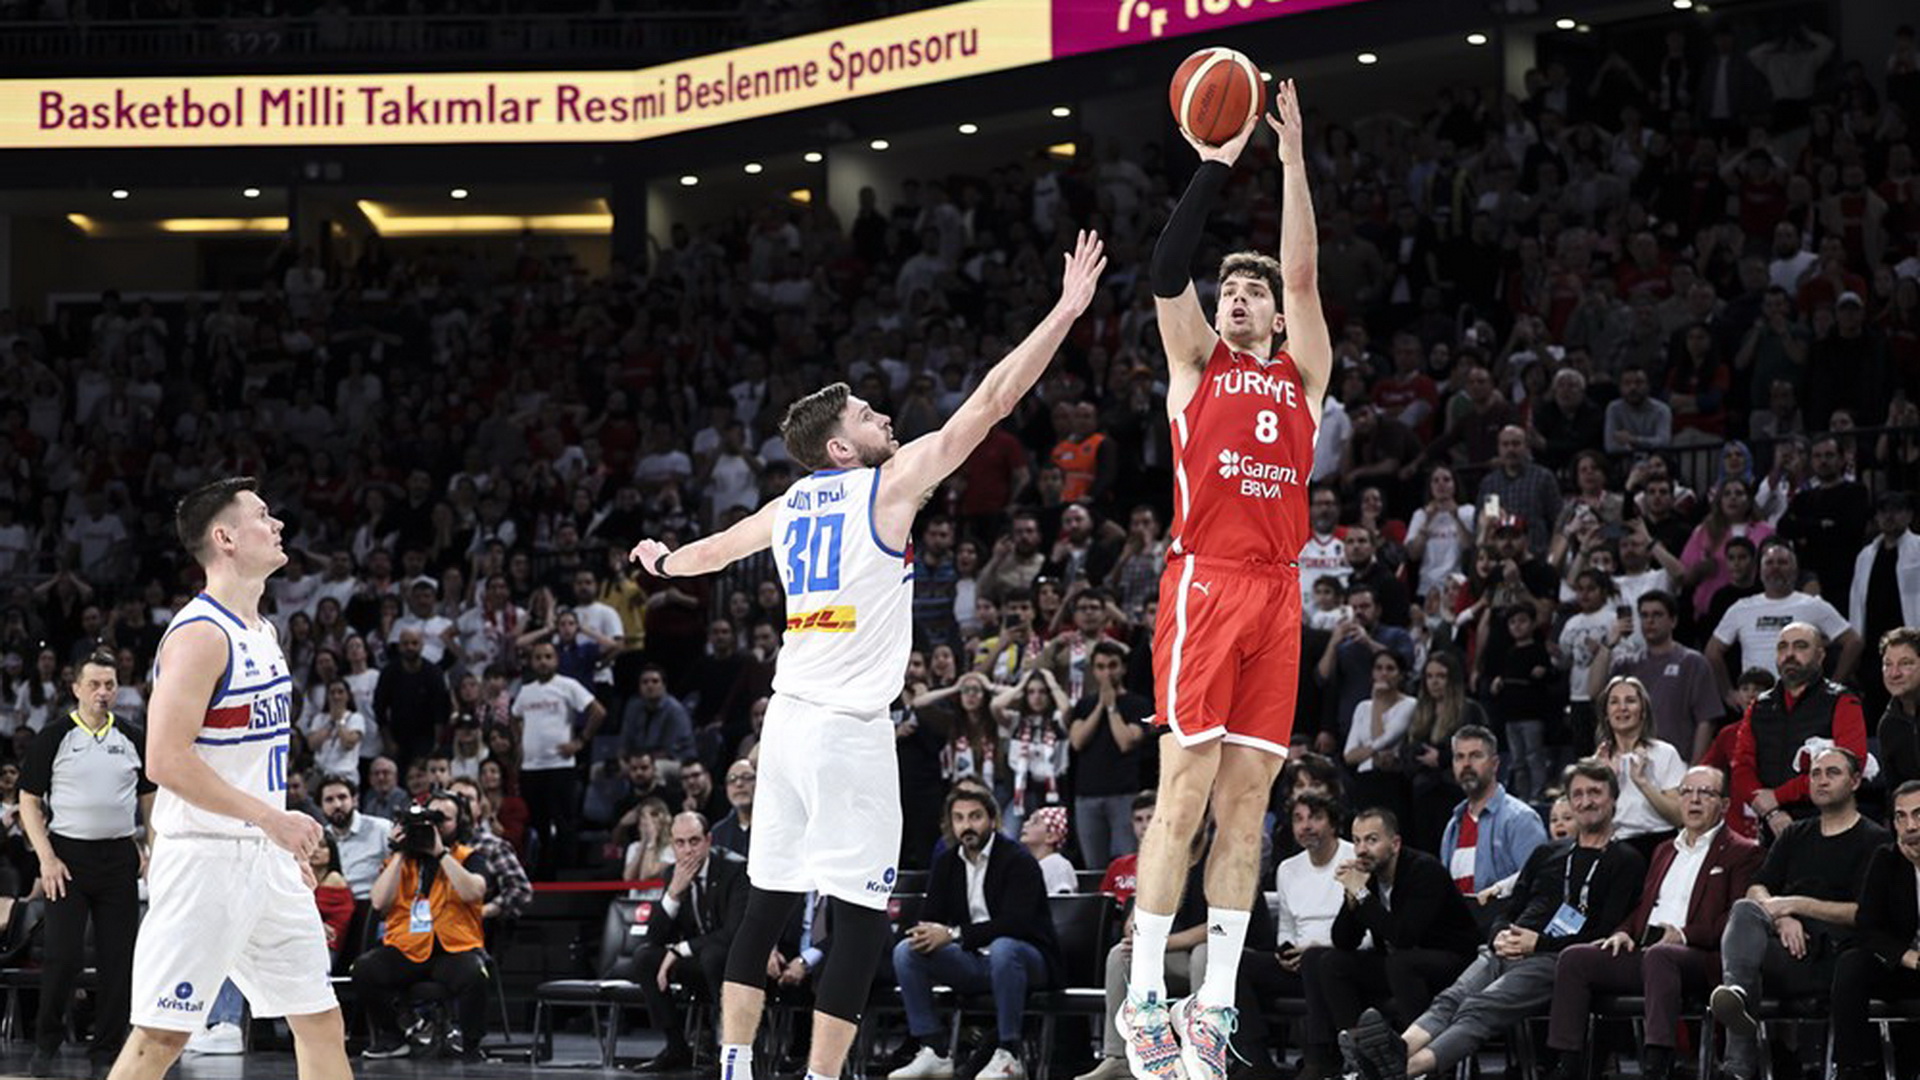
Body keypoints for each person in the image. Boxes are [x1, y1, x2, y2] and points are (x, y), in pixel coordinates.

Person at [627, 231, 1105, 1080]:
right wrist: (1064, 313)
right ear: (842, 449)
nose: (883, 417)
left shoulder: (788, 505)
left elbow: (710, 552)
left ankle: (735, 1066)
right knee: (857, 917)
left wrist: (661, 561)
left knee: (767, 903)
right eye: (866, 415)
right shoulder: (887, 486)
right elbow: (992, 401)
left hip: (785, 728)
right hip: (848, 732)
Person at [1126, 79, 1333, 1080]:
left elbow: (1305, 275)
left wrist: (1290, 161)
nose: (1239, 298)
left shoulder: (1303, 376)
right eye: (1231, 290)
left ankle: (1213, 1006)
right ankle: (1143, 1000)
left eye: (1252, 292)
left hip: (1278, 592)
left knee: (1248, 807)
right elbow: (1167, 271)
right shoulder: (1197, 366)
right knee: (1184, 792)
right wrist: (1214, 165)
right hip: (1206, 583)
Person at [108, 477, 352, 1080]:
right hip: (204, 860)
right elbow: (165, 760)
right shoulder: (200, 634)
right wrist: (271, 820)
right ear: (225, 538)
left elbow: (249, 757)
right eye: (263, 516)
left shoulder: (263, 631)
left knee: (320, 1020)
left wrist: (275, 839)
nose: (278, 525)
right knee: (161, 1036)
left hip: (262, 856)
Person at [1341, 760, 1647, 1080]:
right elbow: (1511, 908)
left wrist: (1539, 943)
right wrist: (1499, 933)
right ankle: (1392, 1056)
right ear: (1569, 801)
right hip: (1504, 948)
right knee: (1448, 1000)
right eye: (1578, 794)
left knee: (1478, 1008)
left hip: (1555, 959)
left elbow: (1603, 932)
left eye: (1595, 792)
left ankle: (1401, 1071)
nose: (1586, 801)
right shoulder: (1547, 853)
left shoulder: (1626, 860)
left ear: (1613, 798)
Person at [1540, 766, 1761, 1080]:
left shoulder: (1742, 852)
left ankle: (1657, 1065)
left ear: (1724, 804)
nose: (1694, 800)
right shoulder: (1664, 850)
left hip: (1700, 956)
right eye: (1687, 792)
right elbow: (1644, 907)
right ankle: (1568, 1067)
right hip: (1650, 951)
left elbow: (1736, 920)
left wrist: (1683, 935)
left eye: (1705, 793)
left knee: (1660, 956)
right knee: (1575, 958)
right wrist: (1623, 932)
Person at [1708, 747, 1889, 1080]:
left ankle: (1738, 1065)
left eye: (1832, 773)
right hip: (1780, 950)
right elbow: (1757, 888)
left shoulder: (1876, 840)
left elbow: (1864, 913)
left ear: (1855, 781)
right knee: (1744, 909)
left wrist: (1795, 904)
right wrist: (1781, 917)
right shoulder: (1794, 834)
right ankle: (1738, 1004)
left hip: (1833, 959)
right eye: (1815, 774)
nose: (1821, 781)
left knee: (1741, 966)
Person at [19, 649, 155, 1075]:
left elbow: (150, 800)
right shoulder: (54, 736)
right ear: (76, 687)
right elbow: (28, 800)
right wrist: (46, 858)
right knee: (63, 956)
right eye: (94, 684)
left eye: (110, 685)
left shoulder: (132, 736)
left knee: (119, 959)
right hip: (67, 859)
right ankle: (46, 1042)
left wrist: (152, 849)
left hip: (118, 857)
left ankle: (106, 1051)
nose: (102, 692)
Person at [888, 788, 1060, 1080]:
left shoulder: (1018, 859)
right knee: (907, 951)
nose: (967, 825)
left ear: (992, 820)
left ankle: (1009, 1054)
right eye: (959, 818)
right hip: (974, 960)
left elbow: (1017, 924)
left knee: (1004, 947)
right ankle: (934, 1050)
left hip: (1027, 960)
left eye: (975, 817)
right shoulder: (946, 862)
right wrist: (925, 933)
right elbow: (932, 917)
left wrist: (953, 934)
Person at [1302, 808, 1479, 1080]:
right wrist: (1352, 897)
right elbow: (1344, 941)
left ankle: (1417, 1062)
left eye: (1371, 840)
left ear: (1395, 844)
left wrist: (1361, 894)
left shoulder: (1424, 870)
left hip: (1452, 963)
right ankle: (1361, 1058)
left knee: (1401, 963)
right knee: (1326, 961)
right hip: (1400, 965)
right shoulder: (1369, 877)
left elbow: (1404, 936)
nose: (1362, 849)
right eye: (1357, 840)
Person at [352, 793, 492, 1060]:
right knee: (364, 969)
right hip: (406, 948)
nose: (434, 827)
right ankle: (393, 1036)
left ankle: (470, 1043)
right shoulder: (400, 862)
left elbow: (473, 891)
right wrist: (400, 852)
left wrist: (440, 853)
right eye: (429, 820)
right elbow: (379, 901)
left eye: (442, 820)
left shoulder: (468, 857)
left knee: (474, 973)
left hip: (454, 949)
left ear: (459, 823)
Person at [1231, 791, 1353, 1078]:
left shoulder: (1353, 858)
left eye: (1315, 818)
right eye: (1298, 819)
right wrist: (1285, 952)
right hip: (1299, 962)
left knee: (1315, 958)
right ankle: (1255, 1061)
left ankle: (1319, 1059)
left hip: (1341, 958)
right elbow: (1286, 925)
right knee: (1236, 963)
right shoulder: (1287, 869)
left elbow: (1366, 931)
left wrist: (1316, 947)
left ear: (1333, 823)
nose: (1306, 826)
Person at [623, 812, 750, 1072]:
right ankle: (676, 1048)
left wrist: (679, 950)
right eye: (680, 843)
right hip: (698, 961)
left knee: (713, 956)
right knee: (645, 958)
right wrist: (673, 894)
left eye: (694, 841)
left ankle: (727, 1053)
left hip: (731, 962)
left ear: (708, 840)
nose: (688, 850)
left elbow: (733, 932)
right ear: (672, 845)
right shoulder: (673, 873)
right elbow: (653, 938)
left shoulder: (734, 869)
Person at [1728, 621, 1869, 838]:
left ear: (1820, 656)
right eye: (1782, 647)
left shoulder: (1842, 701)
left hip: (1827, 825)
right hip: (1770, 825)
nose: (1789, 654)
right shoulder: (1759, 707)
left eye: (1800, 646)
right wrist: (1771, 811)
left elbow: (1851, 765)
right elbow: (1741, 767)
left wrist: (1778, 796)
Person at [1828, 779, 1920, 1080]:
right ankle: (1850, 1069)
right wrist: (1908, 957)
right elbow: (1866, 927)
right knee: (1853, 963)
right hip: (1903, 966)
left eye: (1918, 815)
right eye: (1901, 817)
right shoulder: (1886, 859)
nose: (1910, 826)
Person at [1707, 539, 1860, 706]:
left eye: (1782, 562)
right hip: (1757, 703)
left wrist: (1833, 687)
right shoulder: (1741, 608)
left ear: (1795, 569)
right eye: (1769, 563)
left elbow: (1854, 642)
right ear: (1760, 570)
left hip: (1803, 702)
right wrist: (1728, 694)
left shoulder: (1813, 605)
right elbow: (1712, 651)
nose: (1775, 568)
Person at [510, 640, 606, 878]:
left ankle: (567, 872)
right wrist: (519, 741)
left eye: (548, 657)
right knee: (537, 823)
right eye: (538, 657)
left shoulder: (567, 685)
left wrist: (580, 741)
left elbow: (598, 711)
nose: (543, 662)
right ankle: (542, 873)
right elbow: (514, 716)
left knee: (564, 822)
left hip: (560, 765)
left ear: (556, 660)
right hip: (531, 768)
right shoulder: (526, 690)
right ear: (531, 662)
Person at [1593, 590, 1722, 762]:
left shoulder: (1693, 663)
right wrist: (1608, 645)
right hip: (1631, 762)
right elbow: (1594, 691)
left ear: (1673, 621)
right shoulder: (1626, 664)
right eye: (1644, 615)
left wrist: (1694, 767)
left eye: (1657, 615)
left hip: (1677, 762)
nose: (1650, 621)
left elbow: (1706, 720)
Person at [1439, 725, 1548, 912]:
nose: (1466, 764)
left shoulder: (1521, 819)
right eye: (1459, 757)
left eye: (1475, 756)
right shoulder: (1453, 826)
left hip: (1506, 924)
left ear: (1495, 764)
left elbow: (1539, 883)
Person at [1067, 641, 1152, 869]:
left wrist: (1112, 707)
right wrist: (1100, 706)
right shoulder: (1084, 705)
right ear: (1093, 670)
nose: (1107, 673)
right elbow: (1077, 741)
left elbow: (1126, 741)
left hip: (1124, 795)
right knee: (1094, 867)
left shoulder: (1138, 704)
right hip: (1087, 796)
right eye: (1101, 667)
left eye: (1112, 665)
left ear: (1123, 668)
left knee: (1129, 863)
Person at [315, 773, 391, 900]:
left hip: (373, 904)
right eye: (329, 800)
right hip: (333, 904)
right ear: (321, 806)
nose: (337, 805)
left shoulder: (382, 829)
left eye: (342, 797)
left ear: (354, 800)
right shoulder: (321, 838)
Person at [1879, 628, 1920, 792]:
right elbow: (1895, 791)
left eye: (1905, 663)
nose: (1894, 674)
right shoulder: (1888, 725)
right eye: (1887, 664)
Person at [1021, 805, 1076, 894]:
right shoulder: (1031, 864)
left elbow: (1062, 898)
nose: (1025, 824)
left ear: (1050, 837)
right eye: (1028, 820)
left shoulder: (1057, 865)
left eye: (1035, 822)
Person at [711, 758, 756, 858]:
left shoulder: (775, 824)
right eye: (732, 779)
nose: (739, 784)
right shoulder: (718, 833)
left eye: (746, 777)